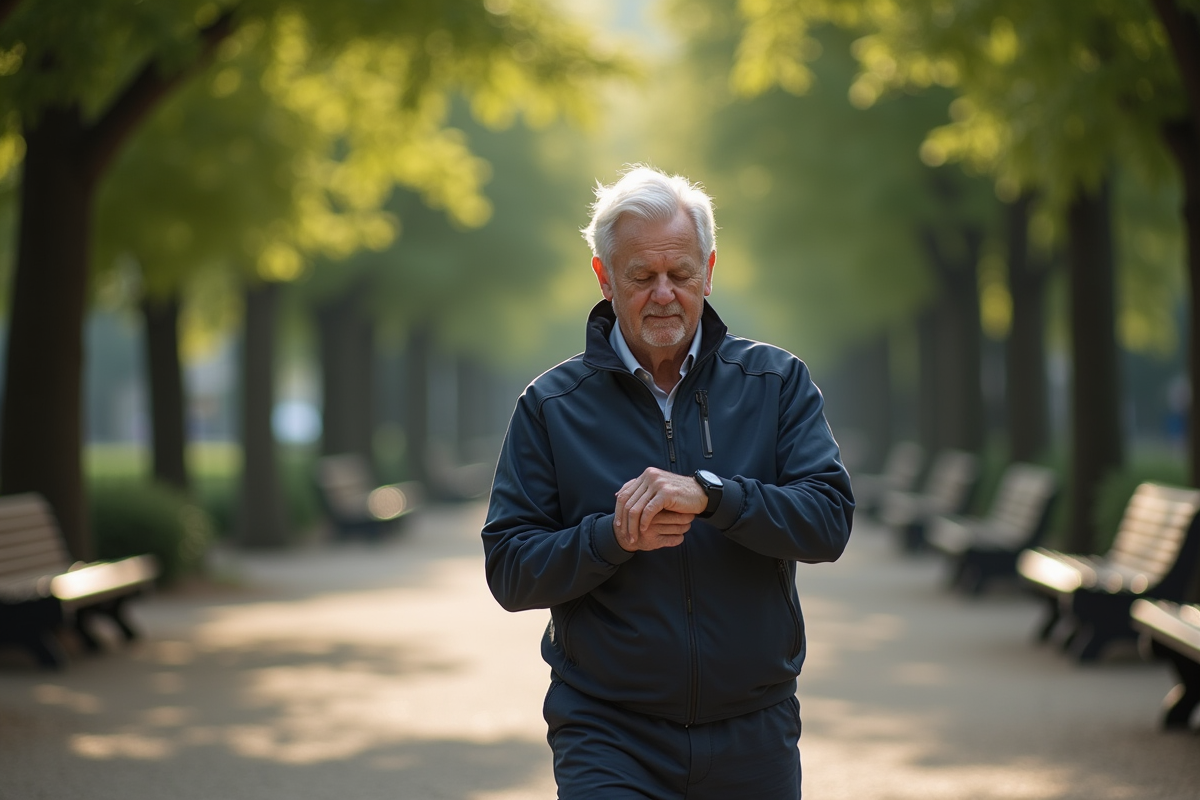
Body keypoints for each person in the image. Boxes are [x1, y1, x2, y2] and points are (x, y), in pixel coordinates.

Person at [481, 165, 854, 799]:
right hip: (607, 732)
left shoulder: (777, 382)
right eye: (641, 277)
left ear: (710, 270)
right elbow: (511, 570)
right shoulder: (551, 404)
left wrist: (715, 495)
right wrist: (612, 537)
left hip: (753, 732)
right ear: (603, 278)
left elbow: (827, 522)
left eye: (680, 275)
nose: (663, 295)